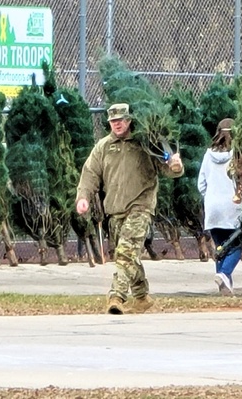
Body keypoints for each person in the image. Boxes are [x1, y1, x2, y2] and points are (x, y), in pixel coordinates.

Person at [76, 103, 183, 314]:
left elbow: (168, 167)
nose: (117, 124)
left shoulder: (146, 143)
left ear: (129, 121)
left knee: (125, 252)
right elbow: (90, 174)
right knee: (126, 254)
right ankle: (142, 296)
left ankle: (116, 296)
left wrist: (175, 165)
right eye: (113, 121)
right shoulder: (104, 147)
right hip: (115, 210)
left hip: (140, 207)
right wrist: (83, 197)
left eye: (121, 120)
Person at [198, 118, 242, 296]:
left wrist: (210, 197)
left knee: (220, 247)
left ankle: (225, 287)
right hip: (232, 206)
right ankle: (224, 274)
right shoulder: (237, 155)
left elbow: (201, 184)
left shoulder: (208, 155)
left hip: (212, 207)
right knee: (236, 246)